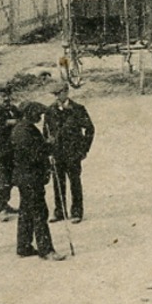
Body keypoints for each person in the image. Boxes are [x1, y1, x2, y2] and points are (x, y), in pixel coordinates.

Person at [11, 102, 64, 261]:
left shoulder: (24, 128)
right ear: (29, 113)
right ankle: (46, 250)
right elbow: (34, 155)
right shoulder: (24, 131)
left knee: (26, 212)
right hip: (30, 177)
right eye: (37, 114)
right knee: (40, 212)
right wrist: (49, 145)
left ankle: (24, 246)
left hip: (26, 177)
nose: (40, 117)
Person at [44, 83, 94, 224]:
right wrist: (49, 152)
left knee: (75, 183)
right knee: (58, 184)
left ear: (66, 92)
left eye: (58, 93)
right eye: (54, 95)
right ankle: (60, 211)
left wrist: (84, 149)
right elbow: (46, 133)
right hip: (57, 153)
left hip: (73, 153)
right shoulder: (50, 111)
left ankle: (77, 211)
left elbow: (90, 129)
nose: (56, 97)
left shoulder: (78, 109)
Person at [0, 82, 21, 219]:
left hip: (12, 151)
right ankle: (0, 208)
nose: (6, 99)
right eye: (2, 96)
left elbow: (20, 118)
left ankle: (5, 204)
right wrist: (13, 122)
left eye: (7, 96)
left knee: (11, 179)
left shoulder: (12, 109)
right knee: (1, 180)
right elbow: (0, 125)